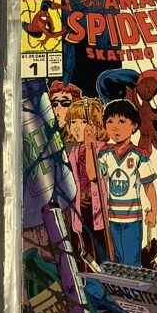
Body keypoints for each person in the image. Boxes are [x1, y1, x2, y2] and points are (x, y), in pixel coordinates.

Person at [95, 100, 157, 266]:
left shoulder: (139, 155)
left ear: (134, 126)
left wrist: (153, 210)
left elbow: (149, 185)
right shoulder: (104, 153)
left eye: (122, 121)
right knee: (116, 260)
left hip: (132, 219)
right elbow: (94, 176)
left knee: (131, 261)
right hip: (111, 218)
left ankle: (133, 283)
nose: (115, 127)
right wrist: (88, 147)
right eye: (110, 122)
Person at [64, 97, 109, 262]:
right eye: (72, 122)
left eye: (82, 122)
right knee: (86, 248)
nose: (76, 127)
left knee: (102, 247)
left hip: (99, 208)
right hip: (80, 208)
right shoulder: (74, 152)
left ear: (95, 125)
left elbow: (93, 175)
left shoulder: (102, 149)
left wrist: (90, 146)